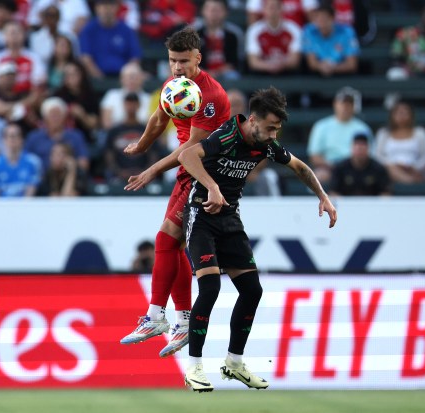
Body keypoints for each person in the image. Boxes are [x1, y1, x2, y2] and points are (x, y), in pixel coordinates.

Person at [177, 86, 337, 392]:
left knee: (252, 290)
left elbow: (300, 167)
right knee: (210, 287)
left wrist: (323, 197)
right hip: (201, 217)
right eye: (270, 128)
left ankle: (234, 363)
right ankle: (194, 367)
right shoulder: (227, 135)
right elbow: (187, 156)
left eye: (277, 129)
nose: (274, 134)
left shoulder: (267, 145)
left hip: (229, 218)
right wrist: (211, 186)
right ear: (253, 120)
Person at [119, 27, 231, 358]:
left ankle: (157, 315)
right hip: (189, 171)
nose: (177, 68)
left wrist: (151, 169)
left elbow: (192, 148)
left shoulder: (209, 96)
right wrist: (141, 146)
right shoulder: (175, 87)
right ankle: (181, 319)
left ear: (198, 57)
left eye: (183, 61)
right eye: (172, 61)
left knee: (166, 239)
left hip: (207, 171)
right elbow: (157, 119)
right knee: (173, 242)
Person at [306, 86, 372, 183]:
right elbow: (314, 156)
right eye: (342, 103)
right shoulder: (321, 126)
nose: (345, 107)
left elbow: (369, 153)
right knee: (317, 177)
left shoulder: (363, 128)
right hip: (330, 168)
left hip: (357, 169)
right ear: (335, 104)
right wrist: (334, 166)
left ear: (353, 106)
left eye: (349, 104)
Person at [78, 0, 142, 79]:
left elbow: (135, 58)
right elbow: (85, 58)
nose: (107, 9)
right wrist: (100, 77)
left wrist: (127, 76)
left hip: (123, 78)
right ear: (96, 8)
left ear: (117, 8)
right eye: (103, 5)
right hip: (95, 78)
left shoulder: (126, 30)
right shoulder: (88, 30)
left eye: (111, 5)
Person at [374, 101, 425, 184]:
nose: (401, 116)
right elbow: (378, 156)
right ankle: (410, 183)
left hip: (413, 170)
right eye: (398, 113)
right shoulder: (383, 133)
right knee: (391, 169)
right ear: (392, 116)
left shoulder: (420, 133)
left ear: (411, 115)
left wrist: (413, 167)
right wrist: (395, 165)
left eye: (405, 113)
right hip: (389, 171)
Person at [0, 122, 42, 197]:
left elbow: (29, 195)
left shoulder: (33, 162)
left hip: (24, 207)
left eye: (16, 136)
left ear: (22, 139)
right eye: (9, 136)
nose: (12, 139)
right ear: (3, 139)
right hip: (0, 207)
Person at [245, 0, 302, 76]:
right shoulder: (254, 30)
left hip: (287, 73)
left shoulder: (293, 29)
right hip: (262, 73)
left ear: (282, 9)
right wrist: (269, 66)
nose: (273, 11)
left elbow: (295, 60)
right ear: (264, 9)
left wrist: (280, 64)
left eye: (276, 7)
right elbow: (253, 62)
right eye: (270, 8)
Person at [302, 4, 360, 77]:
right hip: (317, 76)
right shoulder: (309, 31)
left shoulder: (347, 32)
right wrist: (321, 67)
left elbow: (351, 65)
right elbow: (312, 63)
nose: (321, 24)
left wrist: (333, 68)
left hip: (343, 76)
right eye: (318, 19)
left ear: (332, 19)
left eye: (324, 19)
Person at [194, 0, 245, 80]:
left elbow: (236, 62)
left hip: (226, 74)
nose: (213, 14)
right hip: (200, 73)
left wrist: (217, 72)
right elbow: (190, 61)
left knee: (233, 76)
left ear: (226, 12)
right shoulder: (194, 33)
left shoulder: (234, 34)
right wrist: (207, 72)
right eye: (210, 9)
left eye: (218, 10)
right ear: (202, 11)